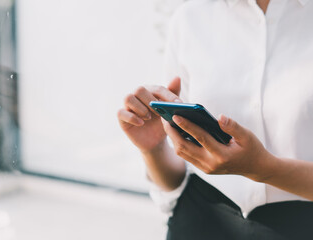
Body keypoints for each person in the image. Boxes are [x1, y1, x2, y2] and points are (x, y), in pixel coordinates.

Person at [117, 0, 313, 239]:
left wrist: (264, 169)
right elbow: (176, 179)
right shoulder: (190, 18)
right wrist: (154, 149)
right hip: (198, 220)